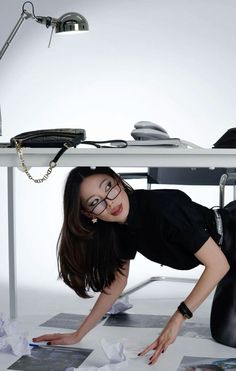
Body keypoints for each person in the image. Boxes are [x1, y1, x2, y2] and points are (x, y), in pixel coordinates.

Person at [33, 166, 236, 365]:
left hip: (230, 241)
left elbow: (217, 265)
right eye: (96, 202)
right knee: (224, 332)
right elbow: (116, 283)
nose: (110, 203)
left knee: (230, 335)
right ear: (88, 214)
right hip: (226, 259)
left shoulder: (165, 207)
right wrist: (79, 334)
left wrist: (177, 319)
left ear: (119, 181)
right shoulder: (120, 227)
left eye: (109, 187)